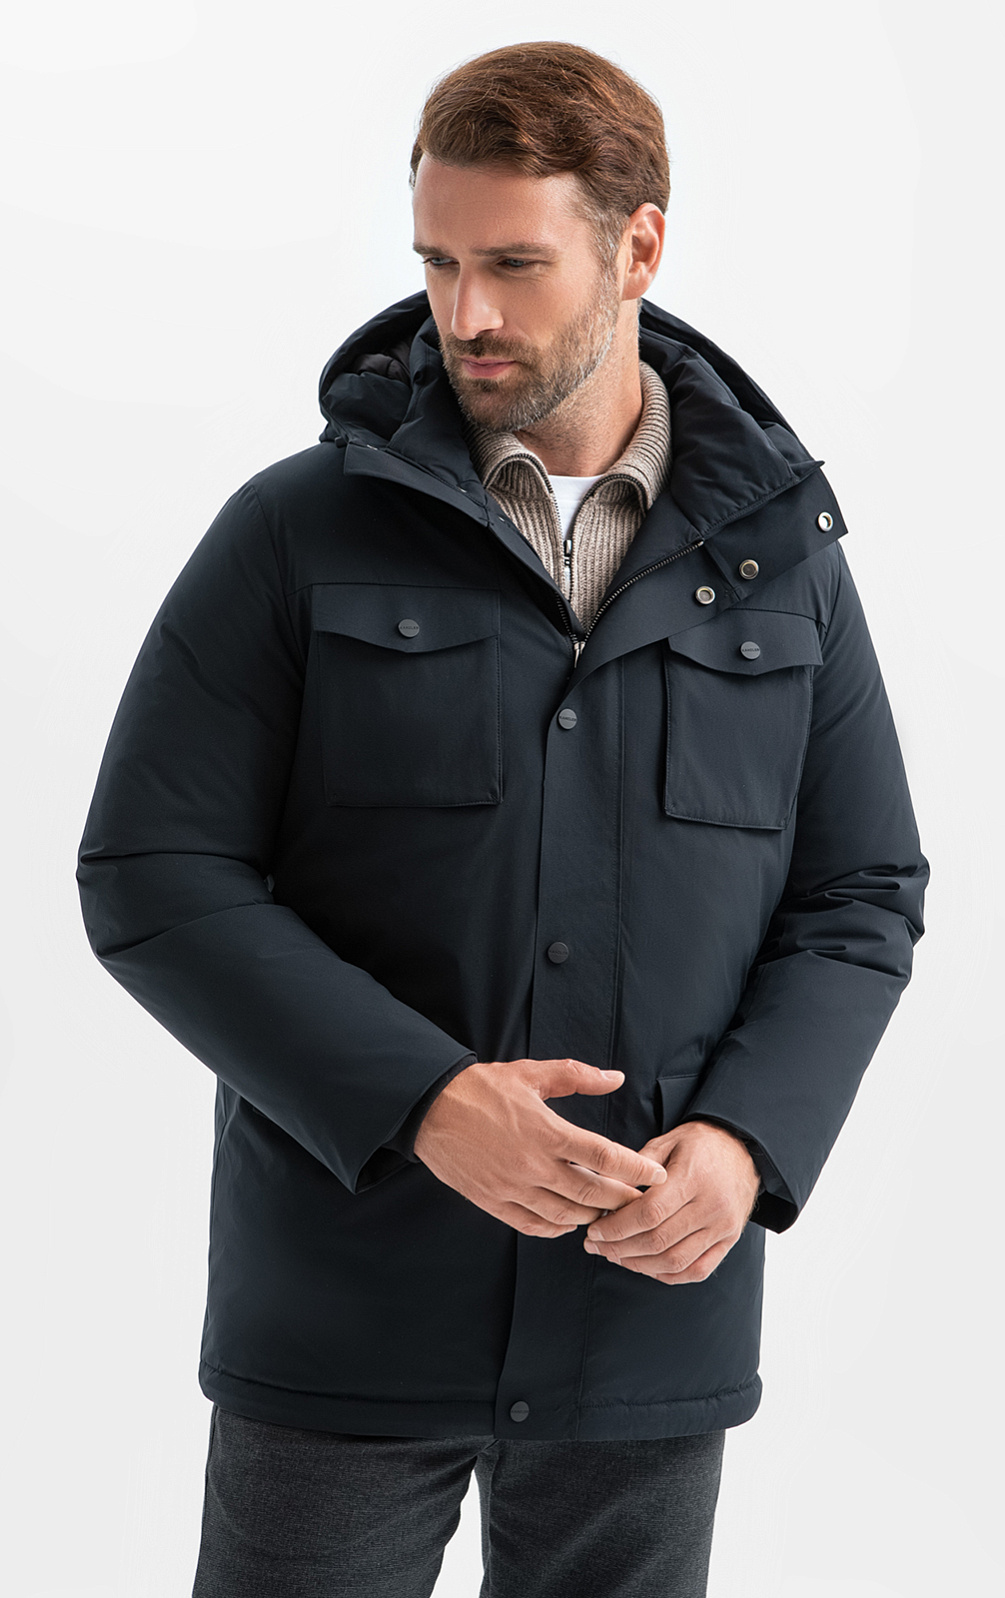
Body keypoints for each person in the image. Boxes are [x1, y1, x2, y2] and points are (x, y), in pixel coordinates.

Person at [76, 39, 928, 1598]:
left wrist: (748, 1141)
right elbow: (152, 872)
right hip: (345, 1307)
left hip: (645, 1311)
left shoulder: (780, 559)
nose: (464, 311)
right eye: (438, 260)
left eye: (514, 265)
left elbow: (861, 885)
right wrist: (422, 1099)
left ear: (638, 246)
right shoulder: (298, 532)